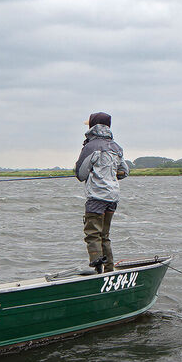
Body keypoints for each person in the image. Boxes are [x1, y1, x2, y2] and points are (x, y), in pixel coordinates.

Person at [75, 112, 129, 273]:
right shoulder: (116, 147)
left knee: (92, 234)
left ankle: (97, 268)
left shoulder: (90, 147)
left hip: (96, 197)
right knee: (104, 235)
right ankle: (109, 269)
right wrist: (110, 174)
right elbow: (124, 171)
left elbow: (80, 174)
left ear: (93, 126)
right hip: (113, 197)